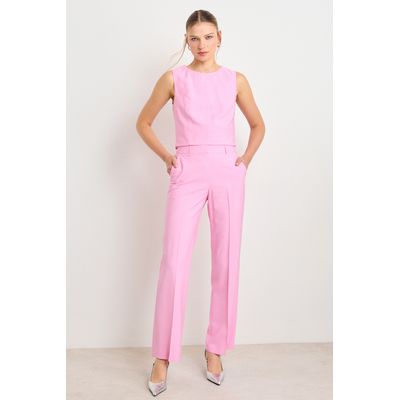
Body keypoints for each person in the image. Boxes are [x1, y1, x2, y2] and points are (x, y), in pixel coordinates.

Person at [136, 9, 265, 396]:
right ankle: (162, 357)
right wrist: (167, 156)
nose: (202, 44)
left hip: (227, 171)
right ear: (186, 40)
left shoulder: (235, 80)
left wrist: (244, 162)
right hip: (187, 170)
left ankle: (215, 349)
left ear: (220, 37)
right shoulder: (173, 79)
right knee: (174, 261)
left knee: (226, 261)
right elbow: (143, 122)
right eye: (195, 38)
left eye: (208, 37)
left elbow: (258, 125)